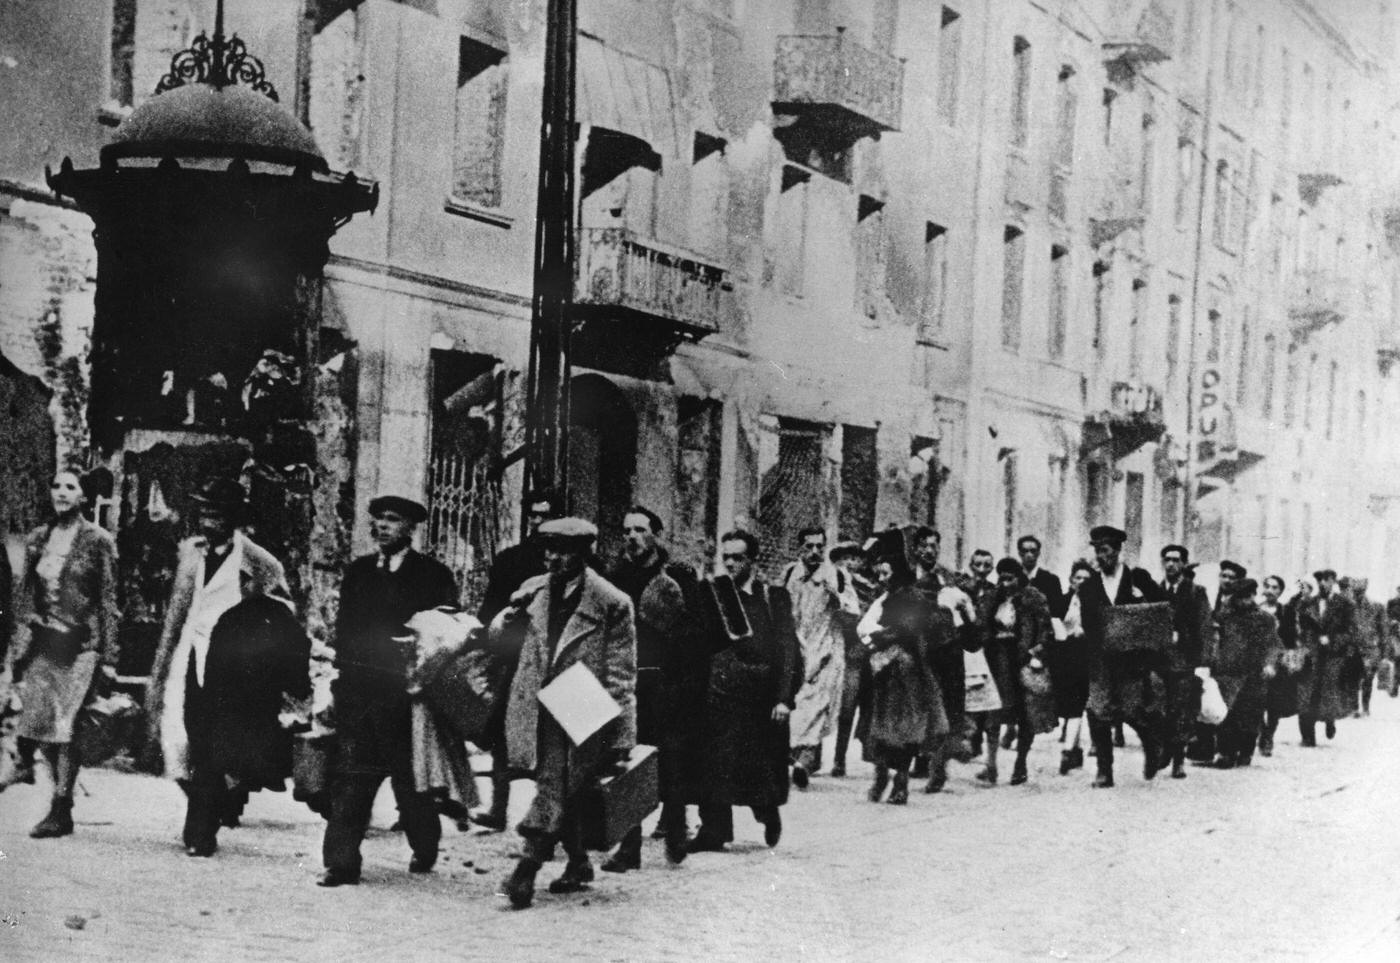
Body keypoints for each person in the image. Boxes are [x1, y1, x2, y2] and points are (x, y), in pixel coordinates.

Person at [497, 518, 637, 909]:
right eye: (548, 549)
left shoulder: (612, 602)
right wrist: (508, 618)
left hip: (582, 704)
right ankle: (578, 863)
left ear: (583, 554)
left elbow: (621, 673)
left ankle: (525, 871)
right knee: (564, 787)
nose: (552, 558)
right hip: (536, 703)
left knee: (553, 786)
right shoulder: (533, 591)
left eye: (562, 551)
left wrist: (623, 735)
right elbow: (498, 638)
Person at [319, 494, 458, 886]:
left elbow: (448, 631)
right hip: (360, 692)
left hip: (407, 696)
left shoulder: (432, 575)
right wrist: (339, 684)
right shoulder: (359, 572)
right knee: (351, 778)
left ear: (410, 529)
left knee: (409, 780)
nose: (381, 526)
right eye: (377, 519)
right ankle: (341, 863)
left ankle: (425, 842)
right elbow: (344, 632)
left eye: (392, 520)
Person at [146, 477, 287, 835]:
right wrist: (160, 667)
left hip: (233, 664)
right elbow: (176, 612)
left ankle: (201, 829)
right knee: (186, 737)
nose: (210, 523)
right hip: (192, 654)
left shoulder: (255, 558)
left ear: (233, 519)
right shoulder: (192, 553)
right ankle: (212, 805)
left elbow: (280, 602)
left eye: (218, 516)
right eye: (205, 514)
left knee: (216, 742)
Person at [1, 470, 119, 837]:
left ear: (83, 496)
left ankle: (61, 808)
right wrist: (22, 637)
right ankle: (37, 775)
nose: (61, 493)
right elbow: (25, 594)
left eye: (70, 487)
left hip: (82, 646)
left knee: (66, 728)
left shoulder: (98, 541)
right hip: (45, 643)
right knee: (40, 721)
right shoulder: (39, 538)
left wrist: (111, 656)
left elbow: (110, 599)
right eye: (56, 486)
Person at [688, 529, 800, 853]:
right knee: (714, 759)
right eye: (727, 558)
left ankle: (767, 813)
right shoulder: (715, 595)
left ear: (752, 560)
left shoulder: (773, 597)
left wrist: (783, 697)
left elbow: (787, 648)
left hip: (760, 693)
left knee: (756, 763)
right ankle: (714, 829)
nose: (731, 563)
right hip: (721, 689)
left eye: (738, 557)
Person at [181, 585, 310, 856]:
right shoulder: (282, 618)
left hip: (222, 702)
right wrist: (298, 689)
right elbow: (297, 662)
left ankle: (199, 835)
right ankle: (215, 820)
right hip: (257, 706)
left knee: (213, 765)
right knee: (238, 763)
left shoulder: (230, 614)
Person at [600, 506, 693, 872]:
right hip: (627, 682)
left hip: (666, 683)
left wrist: (685, 685)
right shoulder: (613, 578)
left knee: (669, 759)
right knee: (627, 760)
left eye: (640, 530)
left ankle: (675, 825)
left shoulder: (677, 578)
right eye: (627, 531)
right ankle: (630, 846)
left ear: (656, 534)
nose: (632, 537)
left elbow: (693, 635)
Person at [473, 491, 561, 831]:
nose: (539, 522)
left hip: (556, 663)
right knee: (500, 734)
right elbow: (490, 610)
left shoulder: (579, 566)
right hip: (514, 658)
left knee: (552, 740)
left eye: (546, 515)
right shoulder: (510, 560)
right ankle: (498, 809)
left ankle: (547, 814)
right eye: (534, 515)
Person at [1079, 525, 1167, 788]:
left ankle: (1152, 746)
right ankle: (1104, 771)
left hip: (1132, 659)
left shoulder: (1137, 578)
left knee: (1132, 711)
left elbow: (1161, 609)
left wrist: (1140, 605)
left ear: (1117, 551)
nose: (1100, 556)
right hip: (1101, 660)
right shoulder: (1089, 586)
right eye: (1096, 551)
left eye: (1104, 550)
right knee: (1098, 711)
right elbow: (1088, 623)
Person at [856, 554, 945, 804]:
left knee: (903, 725)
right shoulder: (886, 597)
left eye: (886, 573)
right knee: (882, 724)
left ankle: (900, 781)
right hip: (886, 668)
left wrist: (881, 637)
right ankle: (883, 775)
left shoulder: (911, 597)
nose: (882, 579)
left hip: (906, 668)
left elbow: (909, 629)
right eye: (879, 574)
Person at [782, 526, 860, 788]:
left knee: (817, 707)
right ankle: (801, 759)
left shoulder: (837, 576)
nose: (814, 552)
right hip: (797, 649)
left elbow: (853, 612)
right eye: (809, 546)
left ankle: (805, 761)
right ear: (800, 549)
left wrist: (835, 596)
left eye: (819, 546)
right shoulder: (789, 574)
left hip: (826, 649)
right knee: (796, 706)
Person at [969, 558, 1052, 786]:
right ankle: (991, 764)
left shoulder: (1033, 598)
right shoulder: (991, 599)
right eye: (1002, 578)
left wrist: (1036, 651)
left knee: (1027, 715)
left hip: (1022, 662)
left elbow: (1046, 631)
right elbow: (980, 627)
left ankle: (1021, 763)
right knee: (993, 712)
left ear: (1019, 577)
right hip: (996, 661)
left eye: (1010, 578)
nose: (1006, 583)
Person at [910, 526, 977, 791]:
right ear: (915, 549)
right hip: (916, 647)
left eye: (934, 545)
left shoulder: (948, 578)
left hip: (946, 650)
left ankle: (937, 767)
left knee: (946, 706)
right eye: (924, 545)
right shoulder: (906, 578)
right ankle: (919, 758)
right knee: (918, 705)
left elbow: (963, 612)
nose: (929, 550)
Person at [1159, 546, 1213, 779]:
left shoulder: (1195, 592)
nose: (1170, 564)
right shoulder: (1156, 590)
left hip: (1185, 661)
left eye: (1175, 560)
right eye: (1167, 560)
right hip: (1159, 661)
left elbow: (1204, 628)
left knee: (1181, 710)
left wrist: (1204, 661)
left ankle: (1178, 760)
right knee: (1160, 708)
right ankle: (1164, 750)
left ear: (1183, 564)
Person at [1210, 579, 1275, 768]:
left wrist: (1269, 664)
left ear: (1254, 595)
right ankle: (1225, 753)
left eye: (1248, 597)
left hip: (1254, 674)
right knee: (1227, 714)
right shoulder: (1225, 616)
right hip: (1228, 673)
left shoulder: (1264, 618)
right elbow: (1214, 640)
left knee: (1251, 715)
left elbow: (1273, 644)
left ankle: (1246, 751)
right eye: (1241, 598)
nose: (1245, 601)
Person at [829, 541, 876, 778]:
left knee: (871, 704)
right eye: (845, 557)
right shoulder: (837, 586)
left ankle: (871, 753)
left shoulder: (872, 588)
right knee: (847, 707)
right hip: (850, 653)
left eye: (854, 558)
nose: (850, 562)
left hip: (872, 651)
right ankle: (839, 759)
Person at [1295, 569, 1354, 747]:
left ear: (1333, 582)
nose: (1322, 583)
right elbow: (1301, 628)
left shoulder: (1344, 604)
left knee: (1328, 693)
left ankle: (1330, 720)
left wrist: (1333, 640)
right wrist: (1306, 643)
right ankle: (1308, 736)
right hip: (1311, 655)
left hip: (1333, 656)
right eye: (1319, 580)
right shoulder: (1308, 603)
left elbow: (1350, 631)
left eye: (1327, 580)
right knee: (1306, 693)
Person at [1047, 560, 1094, 774]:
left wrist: (1087, 633)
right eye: (1078, 578)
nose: (1082, 582)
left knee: (1079, 703)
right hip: (1063, 658)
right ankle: (1074, 750)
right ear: (1071, 580)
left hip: (1087, 658)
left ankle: (1068, 751)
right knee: (1069, 704)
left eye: (1086, 579)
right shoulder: (1062, 600)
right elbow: (1052, 622)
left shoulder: (1097, 604)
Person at [1257, 575, 1299, 757]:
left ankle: (1268, 736)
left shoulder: (1286, 611)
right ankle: (1261, 729)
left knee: (1274, 702)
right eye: (1267, 586)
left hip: (1279, 661)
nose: (1270, 591)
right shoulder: (1256, 610)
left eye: (1275, 588)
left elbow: (1290, 638)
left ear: (1280, 592)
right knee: (1257, 700)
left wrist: (1289, 657)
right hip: (1257, 661)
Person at [1347, 578, 1386, 717]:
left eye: (1360, 591)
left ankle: (1365, 707)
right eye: (1355, 591)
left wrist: (1384, 652)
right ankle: (1354, 708)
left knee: (1368, 678)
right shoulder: (1346, 607)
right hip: (1352, 648)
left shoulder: (1376, 607)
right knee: (1353, 679)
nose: (1357, 594)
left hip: (1370, 648)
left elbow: (1383, 631)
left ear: (1365, 590)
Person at [1019, 535, 1065, 617]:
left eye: (1033, 551)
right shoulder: (1013, 578)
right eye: (1025, 551)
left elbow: (1057, 610)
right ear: (1019, 553)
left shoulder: (1051, 580)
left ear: (1038, 553)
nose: (1029, 555)